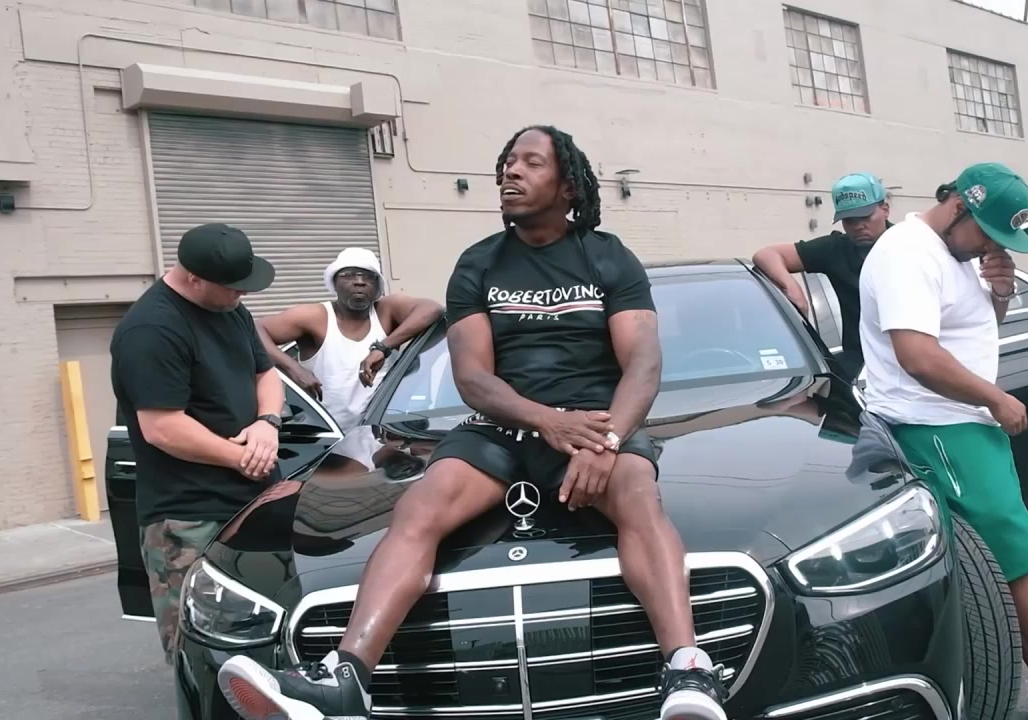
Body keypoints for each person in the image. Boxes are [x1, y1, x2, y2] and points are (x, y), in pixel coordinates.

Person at [216, 125, 729, 720]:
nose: (511, 171)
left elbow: (643, 362)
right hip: (501, 427)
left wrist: (607, 438)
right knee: (419, 507)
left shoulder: (609, 256)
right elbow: (473, 377)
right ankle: (345, 679)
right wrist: (547, 422)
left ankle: (688, 670)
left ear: (568, 186)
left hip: (594, 424)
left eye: (531, 163)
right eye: (508, 162)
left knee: (639, 494)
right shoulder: (479, 263)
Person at [857, 162, 1028, 720]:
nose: (990, 245)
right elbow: (918, 355)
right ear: (959, 205)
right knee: (1021, 564)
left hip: (963, 425)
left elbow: (966, 331)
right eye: (985, 232)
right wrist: (994, 398)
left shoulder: (953, 253)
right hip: (938, 426)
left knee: (1004, 565)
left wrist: (1001, 293)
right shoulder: (906, 254)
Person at [109, 223, 284, 666]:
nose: (243, 294)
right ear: (194, 279)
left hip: (253, 504)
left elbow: (265, 372)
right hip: (188, 517)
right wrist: (242, 458)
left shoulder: (231, 310)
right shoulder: (151, 329)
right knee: (198, 651)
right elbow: (162, 427)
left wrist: (267, 423)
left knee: (265, 638)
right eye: (234, 286)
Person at [254, 247, 443, 431]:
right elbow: (255, 329)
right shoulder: (316, 317)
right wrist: (293, 369)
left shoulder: (386, 311)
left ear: (378, 286)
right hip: (330, 436)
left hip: (379, 435)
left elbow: (432, 309)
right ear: (334, 283)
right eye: (349, 275)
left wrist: (382, 347)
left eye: (368, 276)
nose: (359, 282)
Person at [752, 172, 892, 379]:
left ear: (885, 210)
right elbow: (766, 255)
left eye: (865, 217)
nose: (858, 226)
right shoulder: (836, 249)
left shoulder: (913, 245)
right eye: (849, 220)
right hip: (862, 368)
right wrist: (793, 289)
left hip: (913, 363)